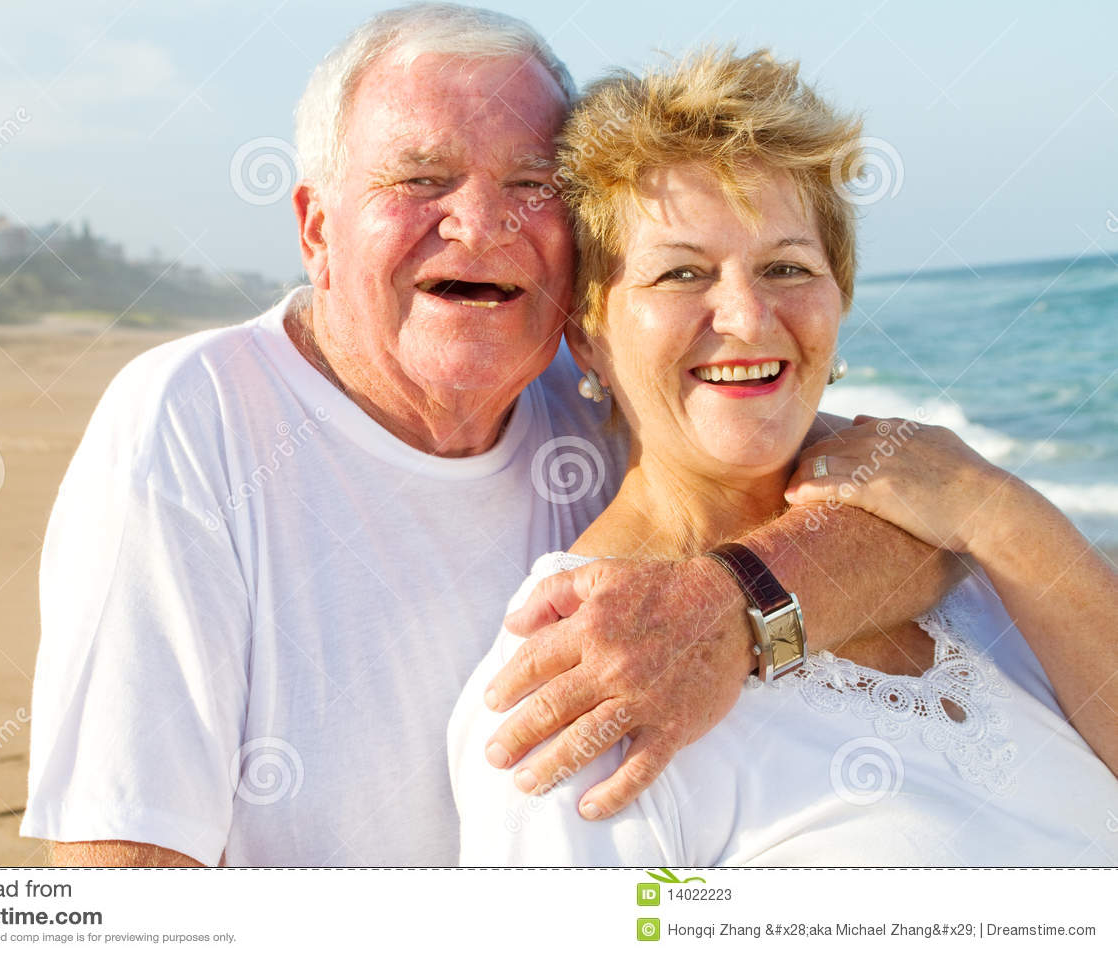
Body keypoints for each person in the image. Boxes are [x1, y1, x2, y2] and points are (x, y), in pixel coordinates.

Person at [21, 5, 961, 868]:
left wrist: (735, 609)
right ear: (316, 228)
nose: (478, 224)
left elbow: (905, 514)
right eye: (420, 179)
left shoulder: (594, 389)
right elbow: (125, 879)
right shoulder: (193, 419)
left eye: (530, 183)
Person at [449, 47, 1118, 865]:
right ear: (588, 331)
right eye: (681, 272)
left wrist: (996, 509)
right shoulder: (576, 678)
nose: (746, 314)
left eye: (787, 267)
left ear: (839, 300)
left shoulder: (957, 545)